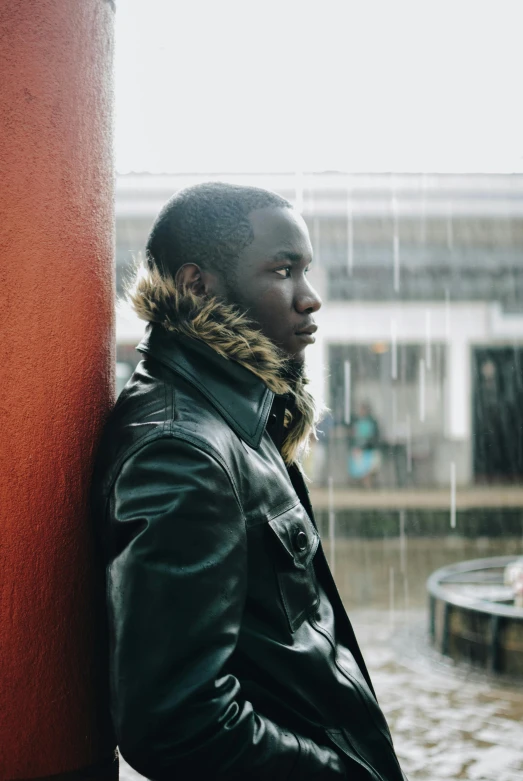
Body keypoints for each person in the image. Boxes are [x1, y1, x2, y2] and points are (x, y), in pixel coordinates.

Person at [92, 183, 407, 780]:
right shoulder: (182, 448)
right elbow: (177, 723)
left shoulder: (233, 415)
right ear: (195, 285)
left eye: (306, 270)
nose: (310, 299)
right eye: (283, 270)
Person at [347, 403, 382, 489]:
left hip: (368, 450)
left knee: (370, 470)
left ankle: (368, 485)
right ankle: (363, 485)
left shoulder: (372, 422)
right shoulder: (356, 422)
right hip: (359, 450)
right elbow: (353, 436)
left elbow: (374, 437)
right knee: (359, 471)